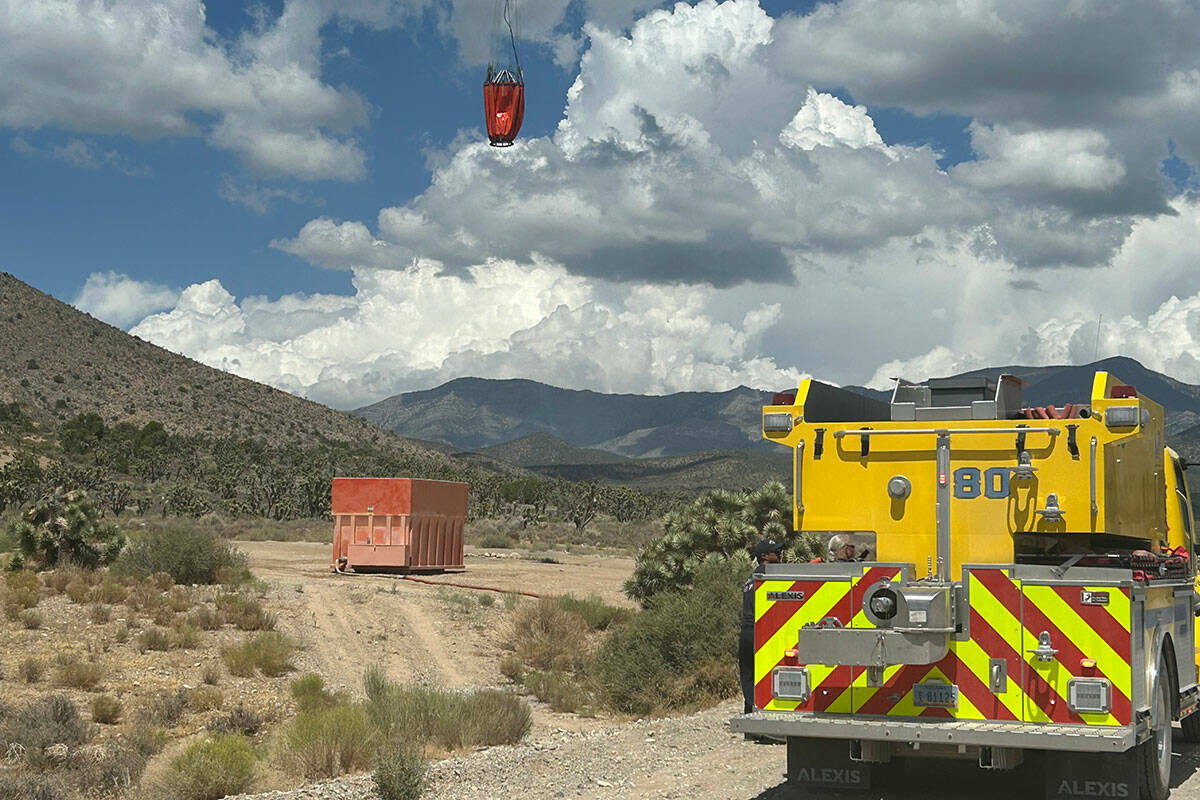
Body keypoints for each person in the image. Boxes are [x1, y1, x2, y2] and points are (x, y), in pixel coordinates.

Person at [741, 538, 784, 730]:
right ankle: (764, 721)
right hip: (762, 630)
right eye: (776, 551)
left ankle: (749, 717)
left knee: (748, 674)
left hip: (746, 630)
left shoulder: (751, 577)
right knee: (765, 673)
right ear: (764, 556)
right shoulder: (769, 574)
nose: (780, 554)